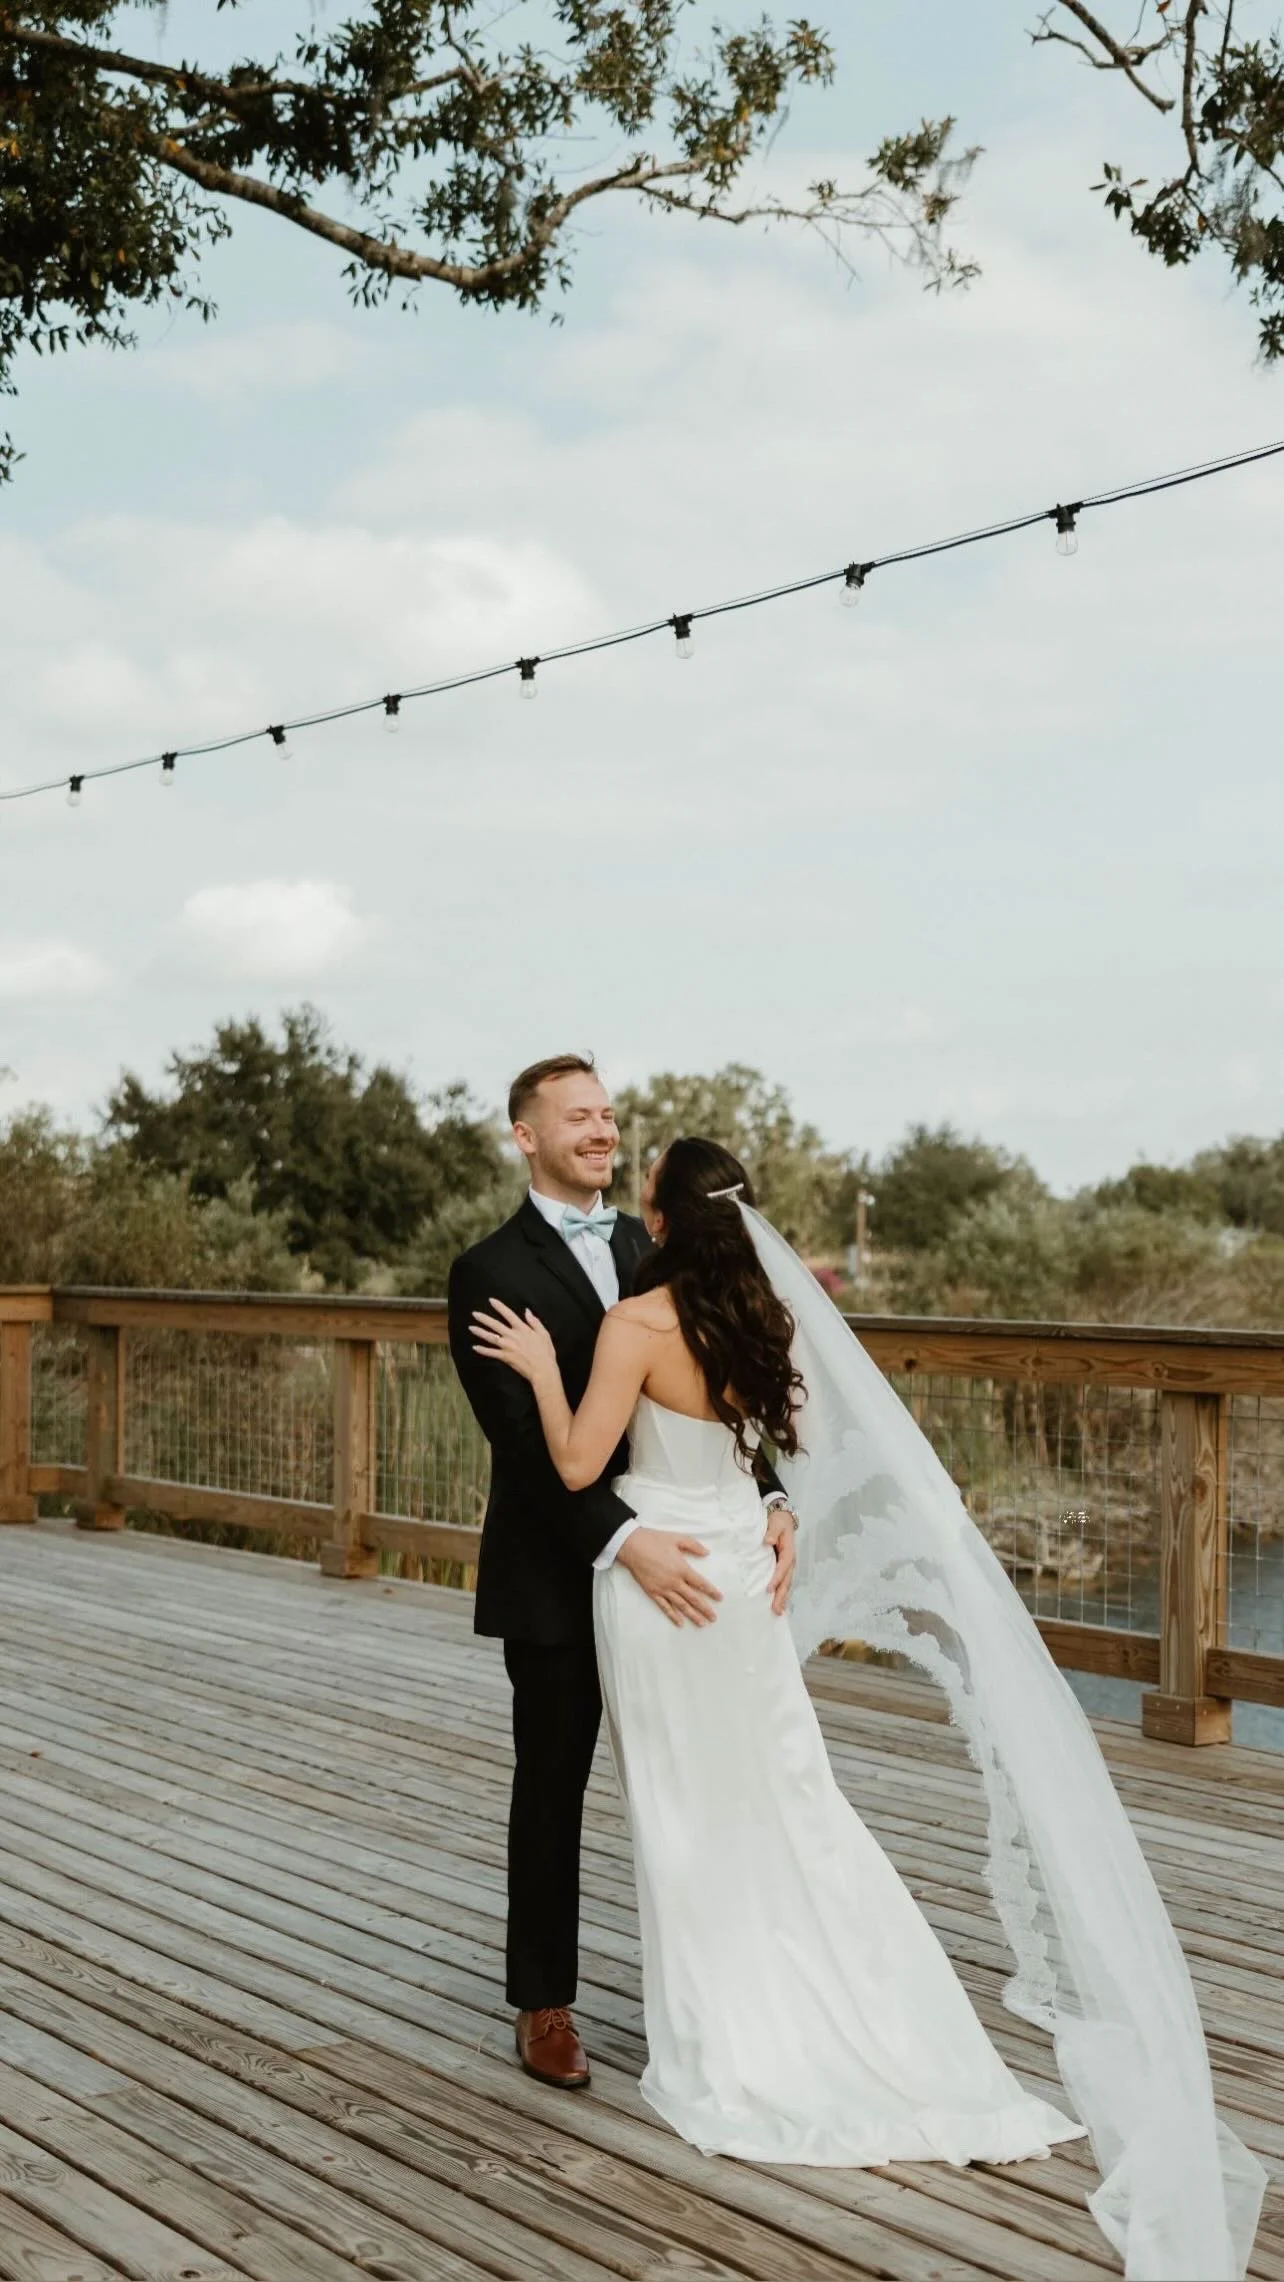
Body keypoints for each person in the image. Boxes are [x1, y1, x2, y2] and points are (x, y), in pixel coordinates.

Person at [470, 1132, 1085, 2167]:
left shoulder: (635, 1321)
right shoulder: (758, 1315)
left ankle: (734, 2025)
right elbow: (750, 1447)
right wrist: (770, 1505)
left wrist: (540, 1370)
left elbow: (578, 1460)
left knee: (683, 1804)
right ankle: (858, 2004)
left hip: (659, 1572)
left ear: (657, 1220)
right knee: (780, 1788)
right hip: (741, 1573)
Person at [447, 1059, 796, 2094]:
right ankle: (543, 2002)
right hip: (564, 1570)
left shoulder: (656, 1242)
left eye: (607, 1114)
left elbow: (722, 1382)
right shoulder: (487, 1269)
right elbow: (522, 1440)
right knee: (552, 1784)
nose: (601, 1129)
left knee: (707, 1776)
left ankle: (724, 1984)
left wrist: (771, 1497)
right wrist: (623, 1537)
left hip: (684, 1563)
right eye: (579, 1116)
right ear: (525, 1135)